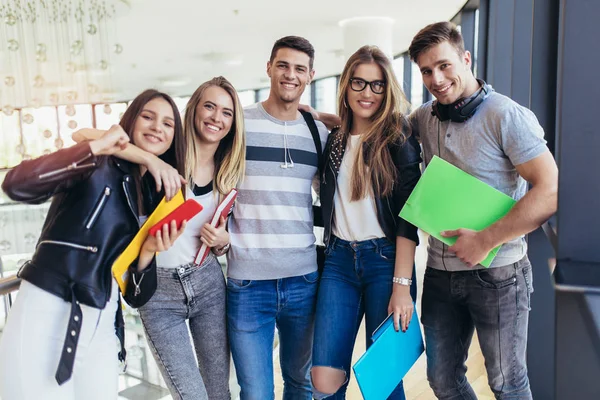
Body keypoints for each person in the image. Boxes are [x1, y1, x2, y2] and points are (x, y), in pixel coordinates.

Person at [0, 89, 187, 400]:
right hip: (50, 305)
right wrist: (97, 146)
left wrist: (149, 251)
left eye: (168, 124)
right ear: (130, 121)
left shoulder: (153, 196)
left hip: (103, 317)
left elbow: (136, 297)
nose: (158, 127)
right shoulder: (97, 162)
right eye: (148, 117)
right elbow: (17, 184)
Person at [407, 22, 558, 399]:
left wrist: (486, 239)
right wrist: (322, 120)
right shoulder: (424, 118)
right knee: (442, 381)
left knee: (507, 384)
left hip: (499, 274)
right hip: (440, 275)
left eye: (443, 65)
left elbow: (550, 190)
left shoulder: (506, 115)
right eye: (426, 71)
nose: (436, 79)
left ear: (466, 58)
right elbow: (377, 130)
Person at [73, 76, 245, 400]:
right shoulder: (165, 155)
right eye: (209, 106)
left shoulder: (228, 168)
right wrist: (149, 158)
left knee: (219, 391)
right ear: (193, 110)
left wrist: (223, 240)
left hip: (208, 282)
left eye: (226, 112)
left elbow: (224, 232)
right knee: (191, 395)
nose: (216, 118)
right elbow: (81, 136)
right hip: (159, 293)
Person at [309, 45, 421, 400]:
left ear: (387, 90)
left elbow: (408, 218)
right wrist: (318, 115)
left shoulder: (397, 139)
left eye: (377, 86)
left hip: (386, 263)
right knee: (324, 379)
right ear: (346, 86)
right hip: (339, 262)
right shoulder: (336, 142)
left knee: (383, 381)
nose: (367, 93)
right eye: (359, 83)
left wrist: (401, 287)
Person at [226, 36, 328, 400]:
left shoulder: (318, 133)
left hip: (304, 279)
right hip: (248, 283)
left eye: (300, 69)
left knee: (301, 384)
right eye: (283, 65)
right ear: (269, 68)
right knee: (255, 392)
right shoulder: (239, 125)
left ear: (311, 76)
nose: (290, 75)